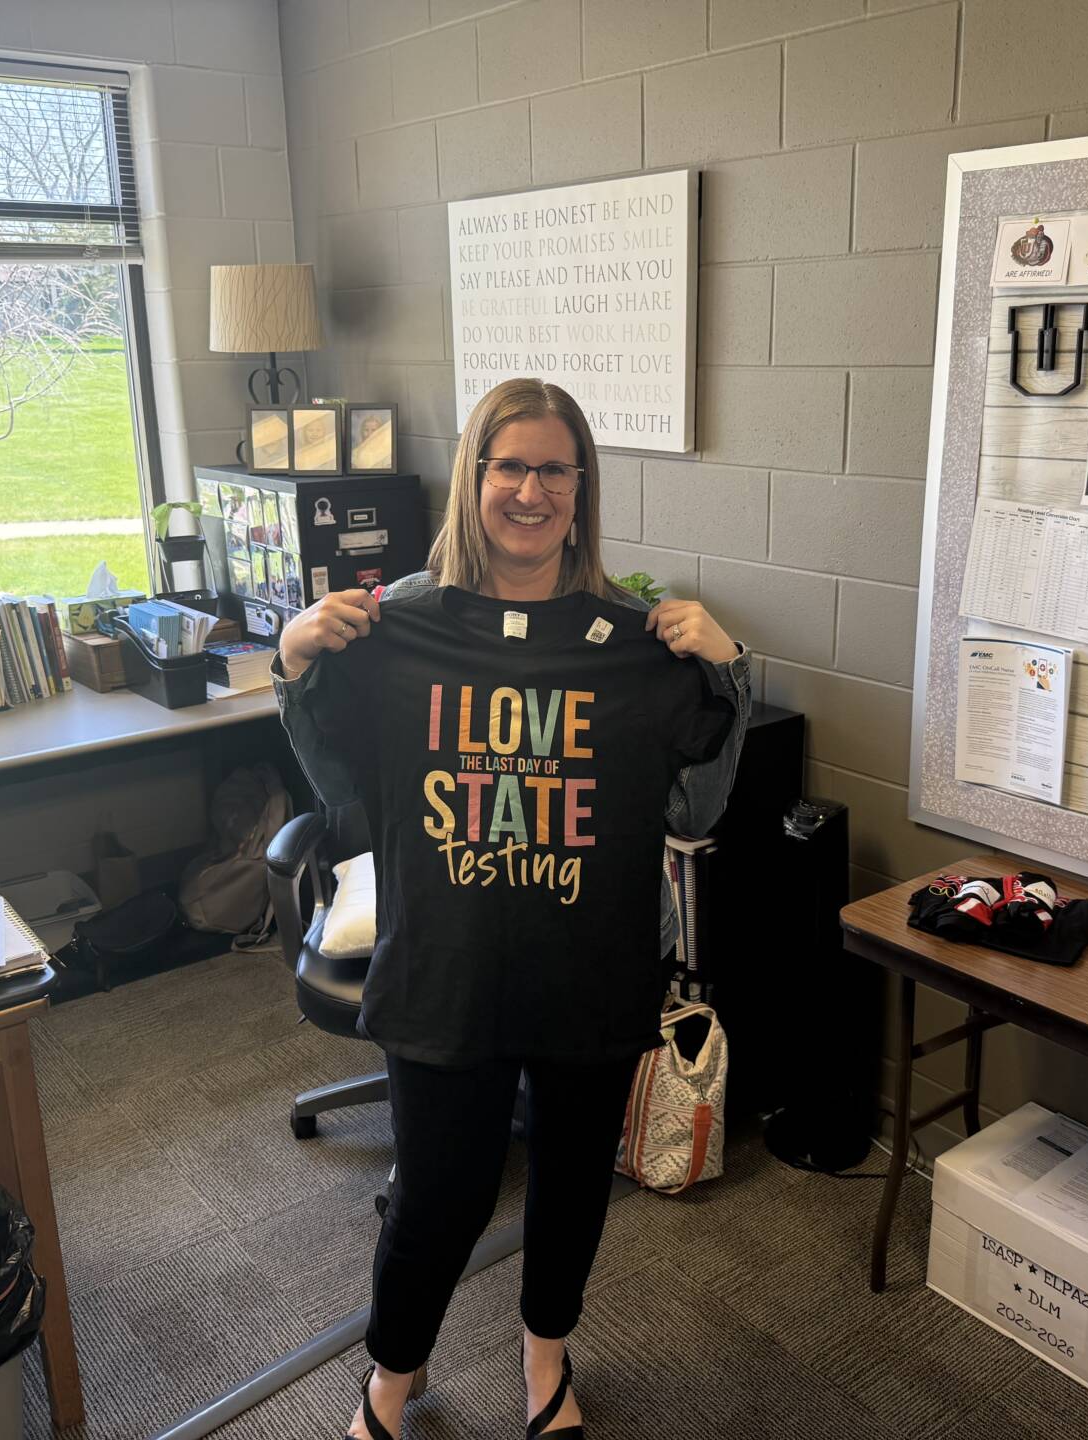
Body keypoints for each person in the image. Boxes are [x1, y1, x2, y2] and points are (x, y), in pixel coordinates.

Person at [273, 378, 752, 1440]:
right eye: (510, 466)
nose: (531, 490)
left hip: (590, 971)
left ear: (581, 489)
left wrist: (731, 673)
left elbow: (696, 803)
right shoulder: (399, 628)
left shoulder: (634, 642)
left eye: (554, 469)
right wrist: (296, 664)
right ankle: (390, 1379)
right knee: (437, 1201)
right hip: (444, 971)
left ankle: (547, 1363)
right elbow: (342, 796)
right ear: (475, 478)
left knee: (573, 1189)